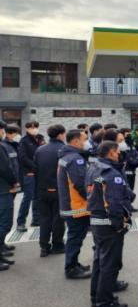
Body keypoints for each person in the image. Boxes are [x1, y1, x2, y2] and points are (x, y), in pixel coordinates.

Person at [87, 141, 134, 307]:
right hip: (108, 223)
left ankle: (96, 297)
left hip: (96, 219)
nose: (119, 154)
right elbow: (114, 203)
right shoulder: (110, 173)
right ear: (111, 153)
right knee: (109, 264)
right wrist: (119, 225)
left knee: (99, 260)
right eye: (117, 151)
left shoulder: (93, 168)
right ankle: (105, 303)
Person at [57, 129, 91, 280]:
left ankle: (74, 263)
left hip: (70, 204)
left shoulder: (66, 156)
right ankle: (71, 268)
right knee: (75, 237)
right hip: (76, 205)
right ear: (76, 141)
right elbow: (80, 183)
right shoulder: (75, 159)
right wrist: (91, 198)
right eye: (84, 139)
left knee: (75, 236)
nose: (86, 142)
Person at [34, 124, 67, 257]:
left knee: (44, 218)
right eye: (64, 133)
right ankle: (57, 245)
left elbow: (35, 169)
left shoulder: (40, 149)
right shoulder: (64, 149)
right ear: (60, 135)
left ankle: (44, 246)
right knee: (58, 218)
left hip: (42, 189)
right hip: (59, 189)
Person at [0, 122, 21, 268]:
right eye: (2, 129)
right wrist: (14, 181)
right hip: (3, 189)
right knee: (5, 223)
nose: (3, 132)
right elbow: (5, 168)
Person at [17, 120, 40, 231]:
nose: (34, 129)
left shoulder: (40, 139)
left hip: (39, 173)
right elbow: (22, 158)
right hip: (29, 173)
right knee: (28, 197)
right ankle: (21, 222)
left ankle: (36, 220)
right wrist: (34, 166)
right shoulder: (24, 141)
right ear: (26, 128)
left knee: (37, 196)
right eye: (31, 127)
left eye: (35, 126)